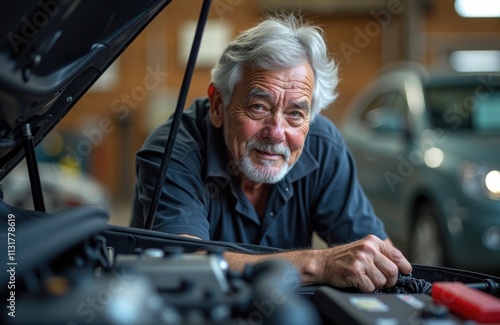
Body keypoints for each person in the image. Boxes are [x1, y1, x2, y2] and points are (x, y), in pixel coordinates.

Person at [131, 13, 412, 293]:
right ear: (218, 105)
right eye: (259, 107)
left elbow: (378, 260)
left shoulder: (324, 147)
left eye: (295, 113)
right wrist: (319, 264)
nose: (276, 132)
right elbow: (186, 267)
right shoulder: (172, 153)